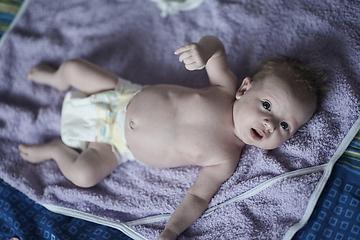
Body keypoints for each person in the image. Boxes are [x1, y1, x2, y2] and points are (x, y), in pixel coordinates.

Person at [18, 35, 325, 239]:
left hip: (114, 144)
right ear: (245, 89)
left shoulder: (226, 157)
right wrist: (203, 51)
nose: (270, 123)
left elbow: (197, 197)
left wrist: (171, 231)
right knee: (73, 69)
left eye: (286, 126)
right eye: (267, 106)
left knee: (83, 175)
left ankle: (57, 151)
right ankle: (55, 78)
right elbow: (216, 48)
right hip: (120, 95)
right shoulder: (225, 89)